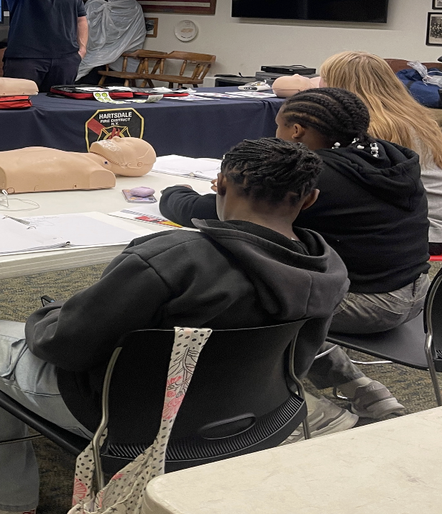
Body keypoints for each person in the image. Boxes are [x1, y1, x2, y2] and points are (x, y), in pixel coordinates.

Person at [0, 138, 348, 514]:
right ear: (309, 198)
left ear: (219, 184)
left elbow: (66, 347)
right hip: (257, 415)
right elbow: (299, 360)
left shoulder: (173, 258)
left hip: (127, 416)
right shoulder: (327, 268)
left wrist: (49, 315)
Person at [160, 87, 430, 423]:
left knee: (238, 294)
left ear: (296, 131)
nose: (276, 134)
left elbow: (205, 212)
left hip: (368, 303)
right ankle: (361, 389)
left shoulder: (316, 173)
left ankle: (300, 412)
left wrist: (174, 192)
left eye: (278, 127)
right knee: (286, 281)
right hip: (419, 296)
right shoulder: (391, 158)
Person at [319, 50, 442, 254]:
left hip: (424, 234)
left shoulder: (368, 130)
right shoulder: (420, 118)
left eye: (324, 79)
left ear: (338, 86)